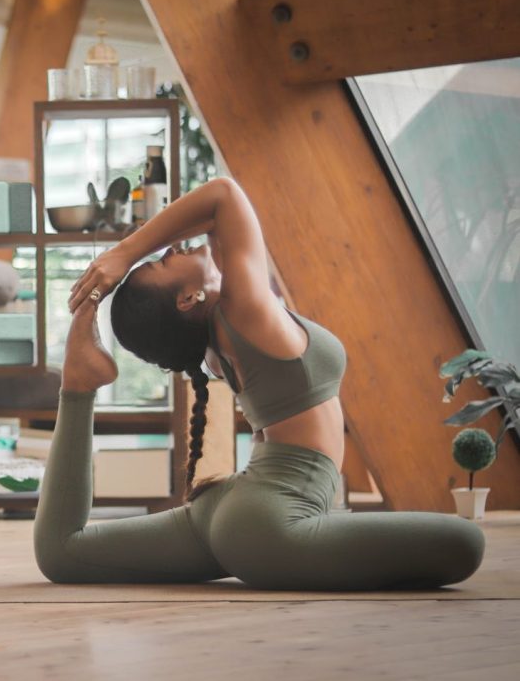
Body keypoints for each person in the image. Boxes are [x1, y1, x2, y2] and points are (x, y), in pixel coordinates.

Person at [34, 177, 484, 590]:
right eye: (161, 263)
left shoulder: (217, 336)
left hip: (232, 512)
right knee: (466, 543)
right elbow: (223, 195)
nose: (169, 251)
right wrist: (124, 254)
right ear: (188, 299)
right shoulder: (244, 311)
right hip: (273, 523)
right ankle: (79, 379)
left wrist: (119, 269)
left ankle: (78, 386)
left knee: (64, 552)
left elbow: (213, 216)